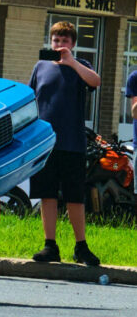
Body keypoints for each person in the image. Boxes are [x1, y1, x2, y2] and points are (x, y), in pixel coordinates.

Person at [29, 21, 101, 266]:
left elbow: (95, 82)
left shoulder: (81, 66)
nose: (60, 45)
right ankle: (50, 245)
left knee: (74, 196)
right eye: (56, 41)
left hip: (72, 143)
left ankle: (81, 246)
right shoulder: (41, 66)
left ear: (73, 44)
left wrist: (71, 62)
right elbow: (31, 99)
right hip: (45, 143)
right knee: (47, 194)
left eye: (65, 41)